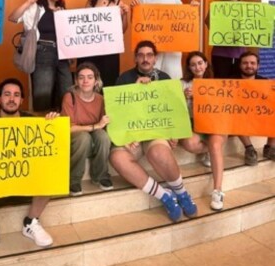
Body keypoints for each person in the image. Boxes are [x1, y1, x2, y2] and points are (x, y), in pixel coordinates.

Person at [0, 78, 59, 263]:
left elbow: (53, 148)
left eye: (16, 95)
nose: (11, 99)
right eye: (6, 94)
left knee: (52, 171)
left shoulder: (33, 123)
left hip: (26, 185)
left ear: (22, 100)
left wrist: (53, 125)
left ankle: (31, 222)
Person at [111, 40, 199, 222]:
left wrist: (172, 133)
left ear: (155, 58)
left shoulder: (165, 78)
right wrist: (135, 88)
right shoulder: (123, 78)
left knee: (159, 151)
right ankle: (164, 196)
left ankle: (182, 192)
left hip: (155, 133)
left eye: (149, 55)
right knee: (116, 158)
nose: (145, 59)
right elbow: (118, 113)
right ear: (135, 58)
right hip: (132, 135)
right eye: (141, 55)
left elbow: (173, 109)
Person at [9, 0, 71, 111]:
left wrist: (62, 15)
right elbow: (13, 18)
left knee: (67, 89)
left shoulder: (63, 10)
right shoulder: (35, 8)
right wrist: (29, 2)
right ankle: (42, 124)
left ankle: (65, 123)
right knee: (43, 91)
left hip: (63, 53)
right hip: (43, 51)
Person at [130, 0, 199, 80]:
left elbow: (186, 23)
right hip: (151, 50)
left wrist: (193, 9)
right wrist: (134, 10)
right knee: (151, 80)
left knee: (173, 80)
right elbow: (136, 26)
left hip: (173, 51)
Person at [181, 51, 228, 210]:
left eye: (200, 63)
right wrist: (183, 97)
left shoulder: (217, 83)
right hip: (195, 124)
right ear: (189, 67)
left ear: (206, 64)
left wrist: (200, 97)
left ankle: (218, 190)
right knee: (189, 144)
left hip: (215, 124)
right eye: (193, 64)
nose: (197, 67)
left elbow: (222, 108)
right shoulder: (183, 84)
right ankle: (212, 152)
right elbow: (176, 108)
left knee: (215, 145)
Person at [60, 62, 113, 196]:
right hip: (76, 139)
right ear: (76, 80)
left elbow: (105, 125)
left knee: (103, 136)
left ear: (96, 80)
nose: (85, 81)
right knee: (83, 137)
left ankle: (100, 176)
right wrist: (95, 126)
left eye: (90, 77)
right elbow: (68, 128)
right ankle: (74, 179)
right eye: (81, 77)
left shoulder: (101, 99)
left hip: (93, 139)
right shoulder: (69, 97)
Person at [78, 0, 130, 87]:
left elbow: (122, 30)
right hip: (92, 49)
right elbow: (85, 26)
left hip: (110, 50)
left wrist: (126, 14)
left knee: (108, 80)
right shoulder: (91, 3)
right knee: (92, 80)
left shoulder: (118, 2)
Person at [233, 52, 275, 163]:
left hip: (259, 115)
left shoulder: (265, 82)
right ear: (240, 65)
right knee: (235, 113)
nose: (249, 66)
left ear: (258, 66)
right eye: (245, 63)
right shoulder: (231, 82)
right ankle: (249, 149)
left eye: (252, 63)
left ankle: (270, 147)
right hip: (240, 116)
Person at [209, 0, 248, 78]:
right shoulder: (216, 6)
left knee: (238, 87)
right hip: (220, 54)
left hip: (241, 54)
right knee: (221, 86)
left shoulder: (248, 8)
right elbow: (211, 26)